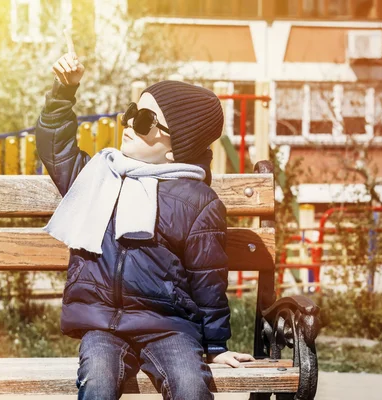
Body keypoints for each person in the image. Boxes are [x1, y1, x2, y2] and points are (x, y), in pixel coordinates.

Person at [34, 49, 255, 400]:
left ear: (174, 147)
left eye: (144, 121)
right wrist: (63, 92)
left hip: (167, 326)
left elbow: (208, 277)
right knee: (97, 381)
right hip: (102, 323)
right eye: (132, 113)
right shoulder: (99, 176)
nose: (128, 124)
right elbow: (54, 147)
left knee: (191, 386)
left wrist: (215, 345)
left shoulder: (196, 200)